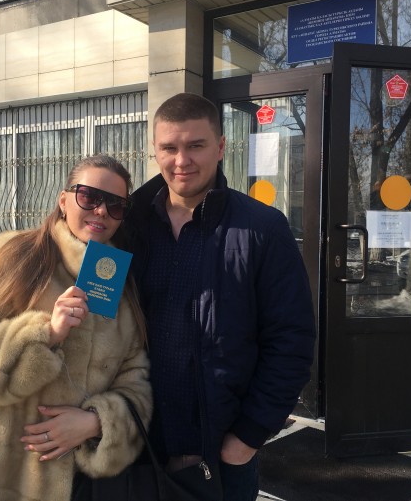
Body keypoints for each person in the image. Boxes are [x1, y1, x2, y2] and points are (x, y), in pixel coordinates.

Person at [125, 92, 316, 501]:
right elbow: (98, 321)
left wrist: (248, 437)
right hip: (137, 446)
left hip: (219, 455)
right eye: (169, 148)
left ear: (221, 146)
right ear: (154, 150)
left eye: (196, 145)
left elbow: (292, 340)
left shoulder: (263, 228)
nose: (182, 160)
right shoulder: (128, 225)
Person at [0, 155, 152, 501]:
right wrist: (45, 334)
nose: (101, 211)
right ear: (64, 200)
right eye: (89, 197)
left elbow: (137, 381)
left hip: (88, 486)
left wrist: (97, 422)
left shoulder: (122, 284)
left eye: (115, 205)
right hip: (2, 479)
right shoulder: (16, 256)